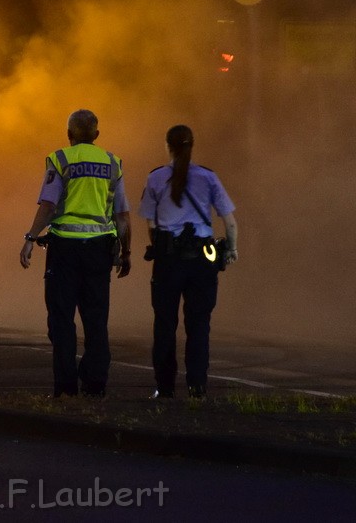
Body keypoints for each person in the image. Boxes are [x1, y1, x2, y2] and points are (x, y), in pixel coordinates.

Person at [20, 109, 132, 398]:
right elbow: (121, 214)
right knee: (96, 321)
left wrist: (31, 237)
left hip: (65, 251)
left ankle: (66, 389)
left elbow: (48, 205)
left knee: (61, 320)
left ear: (69, 134)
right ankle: (95, 386)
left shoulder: (60, 159)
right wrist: (126, 251)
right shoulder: (112, 163)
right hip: (99, 252)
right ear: (96, 135)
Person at [139, 124, 238, 399]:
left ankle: (165, 386)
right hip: (202, 260)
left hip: (168, 260)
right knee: (199, 324)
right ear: (192, 146)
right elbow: (229, 221)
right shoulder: (208, 177)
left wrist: (158, 244)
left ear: (167, 146)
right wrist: (231, 250)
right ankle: (197, 385)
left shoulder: (156, 178)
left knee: (164, 324)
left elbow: (150, 220)